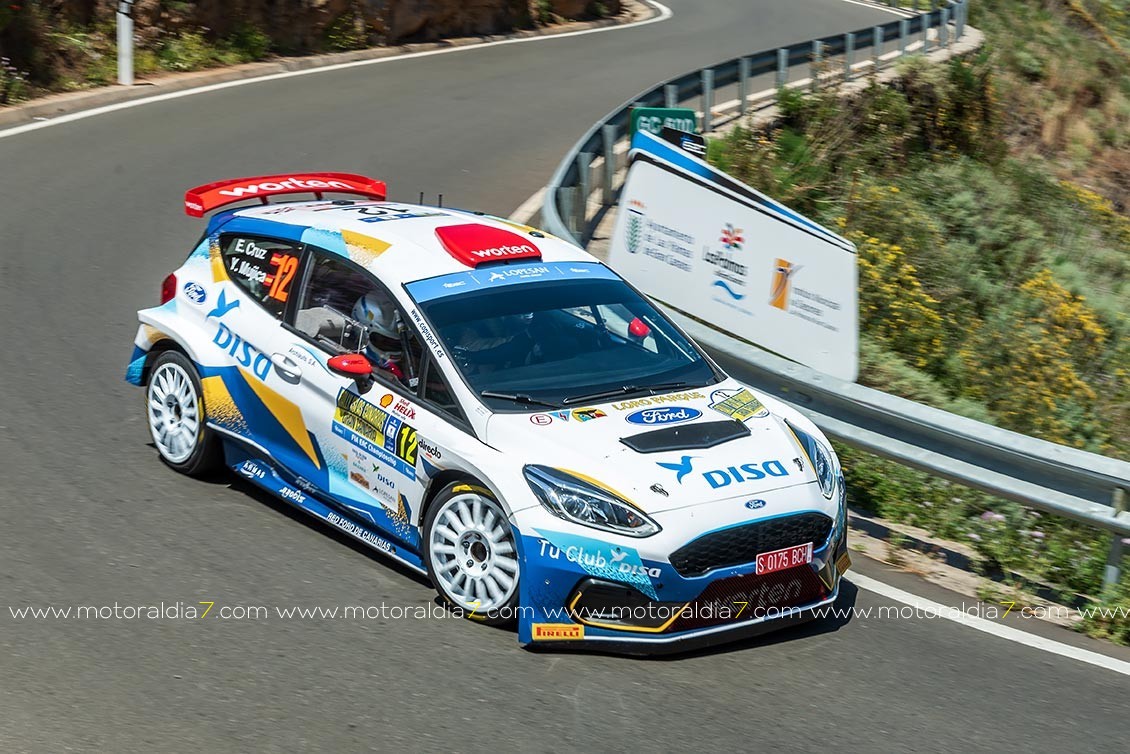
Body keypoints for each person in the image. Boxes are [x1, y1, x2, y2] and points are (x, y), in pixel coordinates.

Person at [352, 290, 406, 384]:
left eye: (397, 343)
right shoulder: (352, 359)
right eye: (385, 341)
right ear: (364, 333)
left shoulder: (402, 366)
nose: (392, 347)